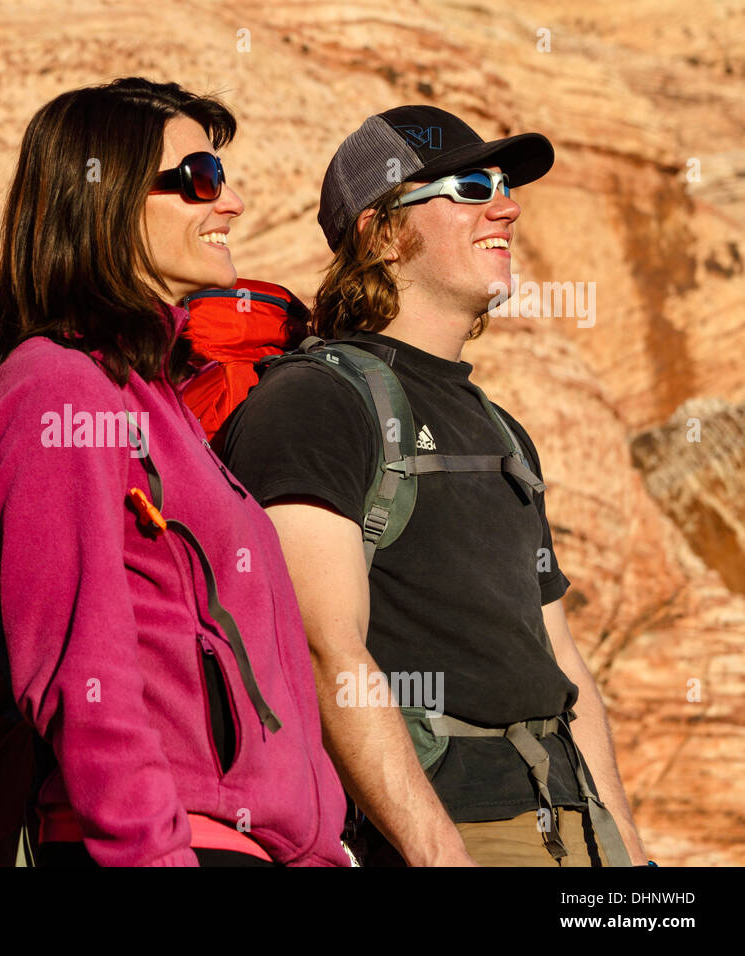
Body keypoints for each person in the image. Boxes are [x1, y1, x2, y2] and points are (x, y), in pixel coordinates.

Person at [221, 105, 647, 866]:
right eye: (474, 187)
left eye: (506, 185)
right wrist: (439, 855)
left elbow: (563, 664)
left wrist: (629, 856)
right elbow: (327, 649)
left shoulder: (503, 428)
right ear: (383, 232)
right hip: (459, 830)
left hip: (574, 824)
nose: (507, 206)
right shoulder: (315, 403)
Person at [0, 77, 349, 867]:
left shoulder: (163, 404)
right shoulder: (57, 389)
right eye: (199, 180)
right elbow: (80, 674)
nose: (232, 201)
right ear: (103, 203)